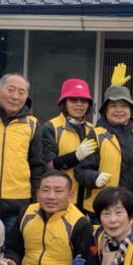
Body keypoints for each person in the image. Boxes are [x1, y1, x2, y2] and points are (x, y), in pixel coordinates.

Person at [75, 84, 133, 225]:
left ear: (131, 110)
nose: (119, 110)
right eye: (113, 106)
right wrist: (95, 178)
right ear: (105, 111)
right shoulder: (97, 135)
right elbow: (81, 170)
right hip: (104, 208)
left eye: (124, 106)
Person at [0, 73, 45, 237]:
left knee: (11, 246)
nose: (15, 96)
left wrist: (36, 198)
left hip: (18, 200)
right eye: (11, 90)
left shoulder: (32, 124)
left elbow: (37, 165)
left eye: (21, 92)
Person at [42, 79, 96, 212]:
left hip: (88, 200)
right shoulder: (51, 127)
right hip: (61, 200)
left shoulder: (93, 130)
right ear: (64, 102)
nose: (79, 104)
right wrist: (75, 156)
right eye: (73, 100)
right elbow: (49, 166)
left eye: (83, 100)